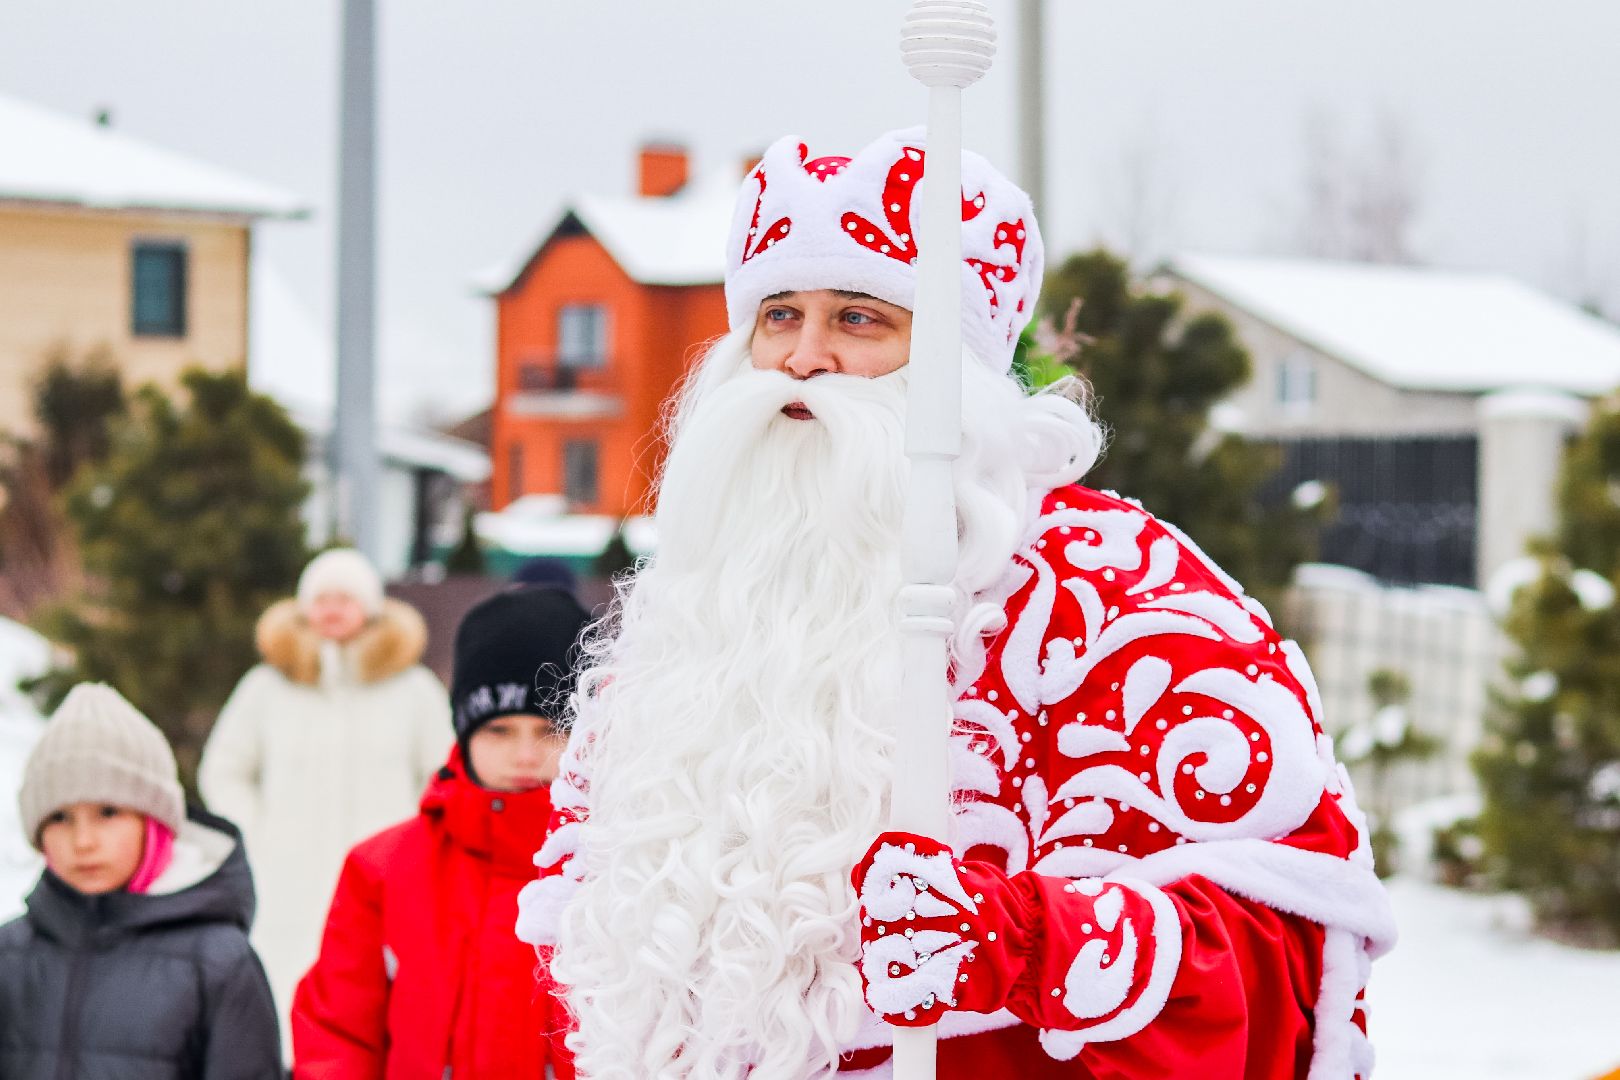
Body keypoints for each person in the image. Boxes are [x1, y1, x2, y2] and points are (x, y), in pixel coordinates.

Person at [516, 129, 1395, 1078]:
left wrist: (1021, 942)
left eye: (858, 318)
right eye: (778, 316)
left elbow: (1270, 950)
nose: (804, 359)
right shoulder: (693, 611)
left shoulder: (1109, 590)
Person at [291, 586, 589, 1079]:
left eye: (549, 730)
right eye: (498, 730)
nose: (524, 755)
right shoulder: (382, 870)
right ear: (463, 731)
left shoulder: (618, 868)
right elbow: (337, 1032)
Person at [198, 548, 451, 1034]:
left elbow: (442, 775)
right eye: (322, 598)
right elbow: (224, 771)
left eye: (345, 598)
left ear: (371, 608)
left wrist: (414, 842)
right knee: (283, 1001)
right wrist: (259, 832)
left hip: (388, 878)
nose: (332, 609)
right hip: (285, 882)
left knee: (381, 1005)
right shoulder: (265, 687)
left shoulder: (414, 689)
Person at [0, 683, 281, 1078]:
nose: (83, 841)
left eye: (108, 812)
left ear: (154, 826)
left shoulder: (219, 962)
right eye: (60, 818)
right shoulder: (10, 953)